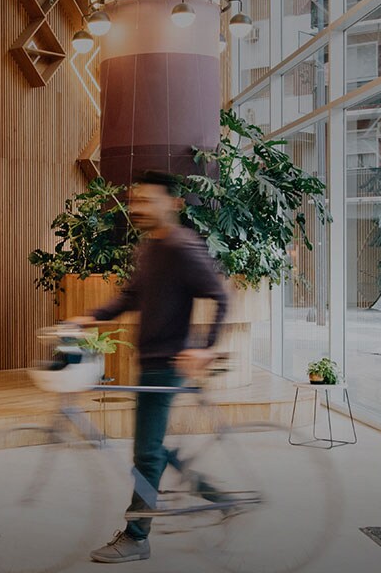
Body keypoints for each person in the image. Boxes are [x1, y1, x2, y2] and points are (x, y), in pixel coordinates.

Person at [73, 170, 231, 565]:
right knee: (152, 448)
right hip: (149, 363)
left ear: (172, 204)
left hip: (167, 363)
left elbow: (220, 296)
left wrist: (205, 348)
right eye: (136, 200)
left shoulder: (181, 245)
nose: (138, 207)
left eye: (147, 200)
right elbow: (130, 297)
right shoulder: (151, 249)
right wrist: (89, 317)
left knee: (145, 454)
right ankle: (213, 493)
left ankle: (137, 535)